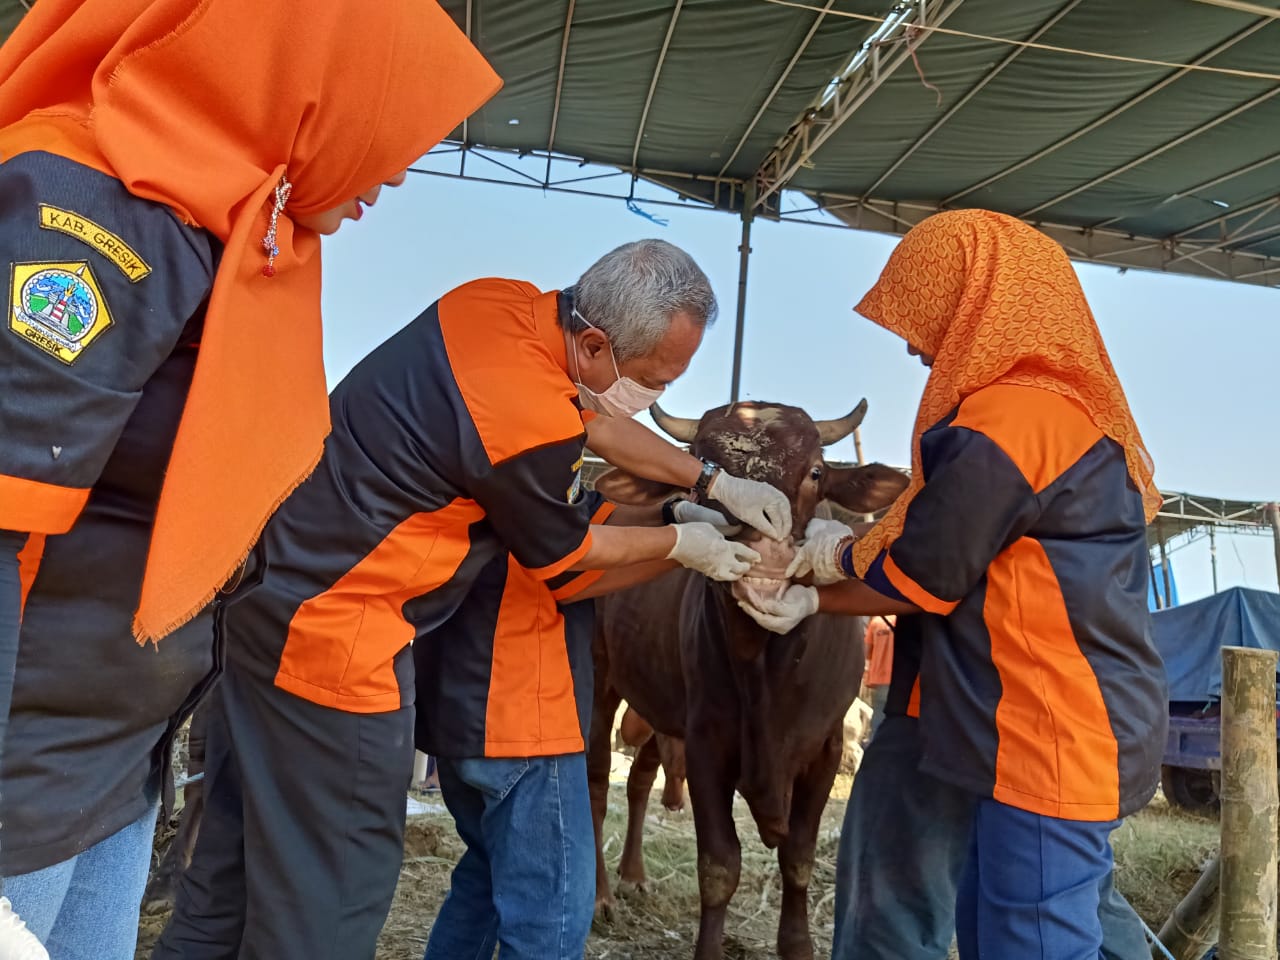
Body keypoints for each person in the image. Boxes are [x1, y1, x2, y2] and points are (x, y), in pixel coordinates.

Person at [0, 1, 500, 956]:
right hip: (22, 776)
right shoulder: (92, 208)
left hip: (106, 758)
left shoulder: (223, 232)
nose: (393, 170)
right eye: (387, 124)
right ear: (311, 83)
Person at [154, 239, 789, 960]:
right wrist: (679, 547)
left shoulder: (494, 305)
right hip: (340, 647)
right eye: (650, 380)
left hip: (267, 608)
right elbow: (566, 561)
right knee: (332, 897)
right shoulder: (526, 422)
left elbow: (594, 420)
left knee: (227, 873)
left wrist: (709, 483)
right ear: (591, 345)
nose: (655, 400)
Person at [740, 210, 1168, 960]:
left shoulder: (1019, 419)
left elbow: (928, 567)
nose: (912, 342)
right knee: (1006, 915)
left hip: (1044, 730)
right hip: (978, 711)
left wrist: (824, 563)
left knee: (1033, 935)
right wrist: (814, 589)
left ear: (978, 301)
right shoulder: (1037, 412)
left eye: (924, 314)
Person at [415, 487, 685, 960]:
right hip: (522, 712)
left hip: (457, 706)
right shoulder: (537, 431)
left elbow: (577, 510)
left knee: (487, 874)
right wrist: (680, 547)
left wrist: (668, 510)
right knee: (551, 916)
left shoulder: (464, 426)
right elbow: (564, 566)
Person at [832, 617, 1152, 960]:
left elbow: (938, 573)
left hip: (956, 705)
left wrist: (824, 582)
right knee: (1067, 895)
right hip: (1071, 716)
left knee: (892, 911)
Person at [863, 614, 895, 735]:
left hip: (878, 679)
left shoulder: (875, 622)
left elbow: (867, 652)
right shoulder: (901, 621)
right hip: (899, 679)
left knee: (878, 718)